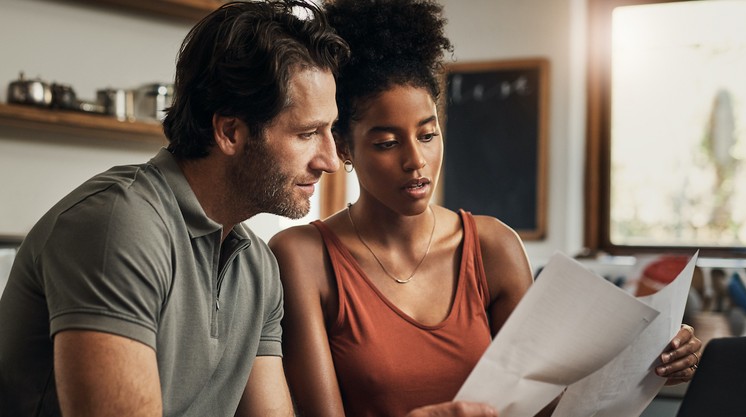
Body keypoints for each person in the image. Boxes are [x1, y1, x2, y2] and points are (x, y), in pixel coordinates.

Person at [267, 0, 703, 416]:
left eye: (427, 134)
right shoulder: (303, 257)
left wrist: (647, 369)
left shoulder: (493, 247)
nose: (415, 161)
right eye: (386, 143)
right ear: (342, 145)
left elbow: (547, 407)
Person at [0, 1, 347, 415]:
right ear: (230, 132)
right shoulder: (119, 225)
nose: (330, 159)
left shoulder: (257, 265)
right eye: (308, 133)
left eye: (330, 131)